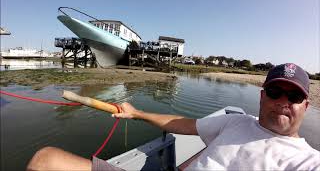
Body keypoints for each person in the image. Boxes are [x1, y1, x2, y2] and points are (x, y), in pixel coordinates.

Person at [26, 63, 320, 170]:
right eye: (274, 92)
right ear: (262, 96)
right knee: (45, 160)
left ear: (306, 105)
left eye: (293, 96)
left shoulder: (307, 161)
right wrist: (136, 113)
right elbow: (182, 124)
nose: (283, 102)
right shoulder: (237, 121)